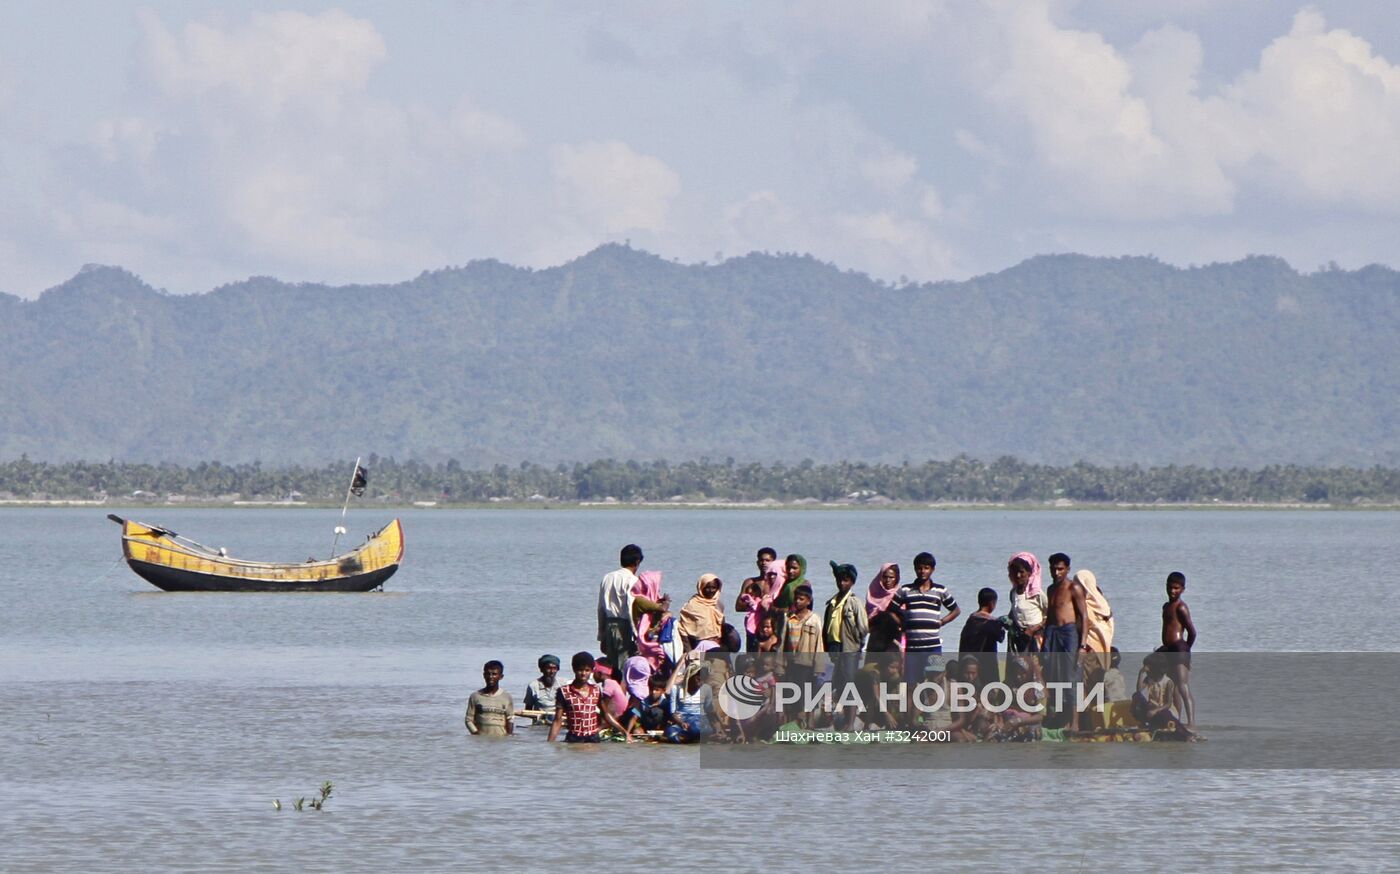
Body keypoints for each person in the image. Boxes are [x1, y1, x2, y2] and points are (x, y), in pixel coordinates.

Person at [893, 552, 960, 677]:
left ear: (932, 570)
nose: (922, 571)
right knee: (911, 683)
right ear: (915, 569)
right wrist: (902, 623)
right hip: (913, 646)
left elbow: (956, 610)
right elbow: (891, 610)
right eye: (919, 568)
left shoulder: (940, 590)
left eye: (926, 568)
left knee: (935, 680)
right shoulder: (906, 590)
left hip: (933, 646)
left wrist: (942, 621)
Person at [598, 545, 663, 671]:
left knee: (612, 666)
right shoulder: (633, 581)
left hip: (609, 625)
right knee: (625, 666)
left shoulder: (607, 578)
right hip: (625, 626)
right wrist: (636, 635)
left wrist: (602, 636)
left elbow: (601, 608)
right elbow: (630, 608)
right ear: (637, 562)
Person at [1043, 552, 1089, 730]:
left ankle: (1075, 723)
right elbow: (1050, 617)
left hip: (1069, 633)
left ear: (1068, 569)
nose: (1056, 573)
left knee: (1072, 676)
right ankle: (1061, 718)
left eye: (1060, 569)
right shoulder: (1051, 589)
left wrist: (1083, 645)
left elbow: (1084, 617)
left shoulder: (1074, 588)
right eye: (1053, 569)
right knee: (1054, 674)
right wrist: (1045, 642)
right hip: (1052, 632)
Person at [549, 652, 631, 743]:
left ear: (592, 671)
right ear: (574, 669)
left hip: (593, 739)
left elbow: (606, 714)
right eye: (580, 670)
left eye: (587, 670)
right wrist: (550, 743)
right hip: (574, 739)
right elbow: (557, 720)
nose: (583, 674)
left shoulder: (596, 690)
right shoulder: (564, 692)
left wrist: (624, 732)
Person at [824, 561, 868, 728]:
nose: (842, 583)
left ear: (852, 582)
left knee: (850, 684)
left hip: (850, 649)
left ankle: (850, 724)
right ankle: (838, 721)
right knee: (839, 684)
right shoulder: (832, 603)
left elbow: (863, 628)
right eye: (840, 580)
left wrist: (857, 645)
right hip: (835, 648)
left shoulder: (854, 602)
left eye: (846, 580)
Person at [1157, 571, 1197, 729]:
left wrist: (1185, 651)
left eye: (1176, 588)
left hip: (1179, 647)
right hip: (1168, 649)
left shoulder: (1181, 607)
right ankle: (1176, 720)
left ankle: (1192, 723)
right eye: (1170, 587)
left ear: (1182, 589)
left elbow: (1192, 632)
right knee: (1171, 686)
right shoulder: (1166, 606)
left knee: (1182, 686)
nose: (1172, 591)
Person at [781, 583, 823, 714]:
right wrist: (780, 664)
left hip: (806, 662)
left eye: (801, 599)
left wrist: (818, 666)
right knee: (791, 692)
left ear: (808, 601)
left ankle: (807, 722)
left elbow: (819, 643)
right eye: (796, 598)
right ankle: (794, 720)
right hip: (791, 661)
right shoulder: (789, 618)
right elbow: (783, 642)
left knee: (806, 693)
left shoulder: (814, 619)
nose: (798, 601)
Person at [1133, 652, 1195, 740]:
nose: (1146, 670)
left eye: (1148, 668)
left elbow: (1168, 703)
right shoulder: (1149, 679)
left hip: (1165, 711)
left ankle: (1186, 735)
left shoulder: (1168, 682)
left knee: (1164, 714)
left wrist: (1156, 711)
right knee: (1136, 697)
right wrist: (1141, 674)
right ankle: (1144, 723)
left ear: (1155, 669)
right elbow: (1139, 690)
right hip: (1152, 710)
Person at [958, 587, 1005, 693]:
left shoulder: (971, 620)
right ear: (992, 603)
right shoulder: (992, 623)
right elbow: (1001, 637)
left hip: (969, 665)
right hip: (987, 667)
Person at [737, 548, 780, 651]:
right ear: (757, 562)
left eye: (767, 560)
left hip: (772, 626)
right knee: (752, 656)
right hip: (754, 626)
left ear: (774, 562)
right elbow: (738, 606)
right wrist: (755, 604)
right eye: (761, 560)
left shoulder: (779, 583)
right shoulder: (750, 582)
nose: (764, 563)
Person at [1006, 553, 1047, 660]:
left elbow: (1050, 615)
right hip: (1021, 637)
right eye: (1015, 573)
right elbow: (1014, 612)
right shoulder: (1013, 593)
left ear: (1029, 573)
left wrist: (1034, 629)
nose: (1018, 576)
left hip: (1036, 637)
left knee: (1036, 668)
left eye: (1022, 572)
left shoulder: (1037, 594)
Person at [666, 659, 718, 743]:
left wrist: (717, 727)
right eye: (698, 679)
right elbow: (672, 713)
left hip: (699, 719)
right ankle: (691, 737)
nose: (700, 683)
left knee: (698, 728)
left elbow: (709, 710)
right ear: (690, 676)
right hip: (682, 719)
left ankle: (692, 736)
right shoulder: (676, 689)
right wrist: (681, 723)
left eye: (703, 680)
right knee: (671, 734)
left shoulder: (706, 688)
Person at [1074, 568, 1115, 666]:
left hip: (1089, 650)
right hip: (1103, 649)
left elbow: (1082, 626)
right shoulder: (1103, 604)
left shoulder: (1085, 606)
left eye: (1077, 584)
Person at [677, 573, 725, 652]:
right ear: (701, 587)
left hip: (717, 643)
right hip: (700, 645)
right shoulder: (692, 605)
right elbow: (683, 629)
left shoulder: (718, 604)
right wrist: (689, 651)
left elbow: (722, 626)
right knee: (705, 664)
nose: (711, 591)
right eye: (707, 587)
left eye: (714, 588)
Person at [466, 660, 514, 736]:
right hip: (481, 742)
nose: (490, 677)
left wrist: (509, 737)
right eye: (488, 674)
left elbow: (510, 719)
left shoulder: (506, 697)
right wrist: (476, 735)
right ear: (484, 675)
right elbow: (468, 720)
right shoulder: (475, 696)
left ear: (501, 676)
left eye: (494, 674)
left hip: (500, 741)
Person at [770, 554, 808, 642]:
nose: (790, 571)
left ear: (801, 568)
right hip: (781, 624)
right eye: (788, 568)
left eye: (794, 568)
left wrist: (776, 609)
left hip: (795, 626)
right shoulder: (786, 584)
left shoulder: (803, 585)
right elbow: (777, 603)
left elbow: (795, 609)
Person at [523, 654, 562, 723]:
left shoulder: (563, 684)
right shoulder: (533, 686)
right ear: (541, 669)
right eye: (548, 668)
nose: (552, 671)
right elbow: (528, 710)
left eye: (554, 668)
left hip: (559, 722)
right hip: (540, 724)